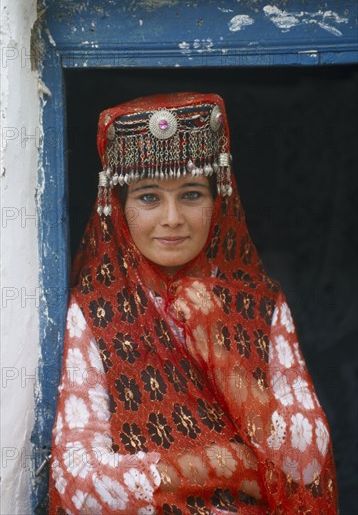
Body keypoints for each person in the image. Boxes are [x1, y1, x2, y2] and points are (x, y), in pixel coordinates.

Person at [49, 92, 338, 514]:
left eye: (191, 195)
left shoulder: (259, 304)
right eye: (148, 197)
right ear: (119, 206)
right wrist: (224, 465)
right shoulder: (95, 311)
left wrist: (220, 349)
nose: (172, 218)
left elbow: (308, 461)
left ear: (217, 198)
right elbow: (76, 479)